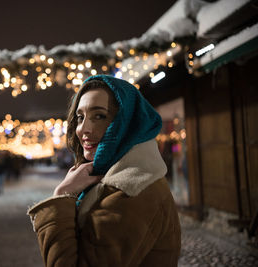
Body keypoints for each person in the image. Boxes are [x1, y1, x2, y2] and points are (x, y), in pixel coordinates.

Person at [27, 75, 181, 266]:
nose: (83, 129)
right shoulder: (119, 178)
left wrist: (62, 194)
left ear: (126, 123)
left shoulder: (130, 191)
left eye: (99, 116)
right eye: (80, 117)